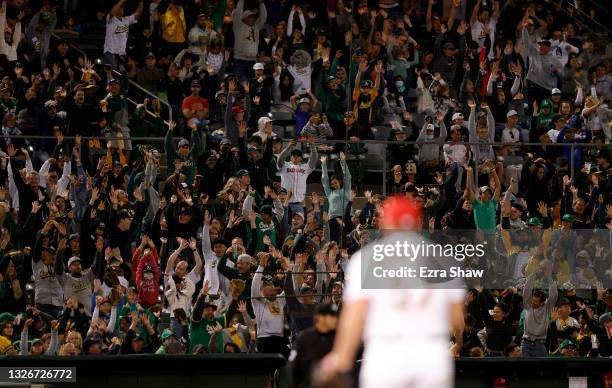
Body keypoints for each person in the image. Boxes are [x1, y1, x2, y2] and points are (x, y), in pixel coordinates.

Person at [319, 196, 465, 388]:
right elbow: (457, 318)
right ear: (416, 223)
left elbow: (353, 317)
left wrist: (341, 358)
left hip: (386, 353)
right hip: (430, 353)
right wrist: (459, 344)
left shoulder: (366, 257)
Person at [290, 303, 338, 388]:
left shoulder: (338, 338)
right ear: (320, 318)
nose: (335, 319)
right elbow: (294, 369)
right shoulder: (304, 338)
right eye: (331, 316)